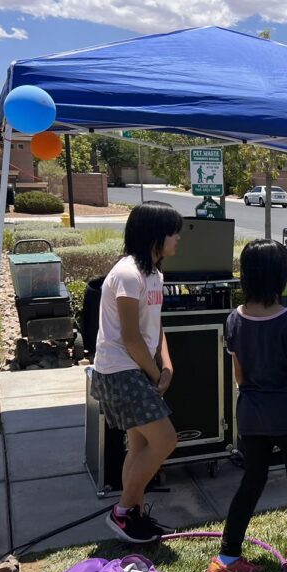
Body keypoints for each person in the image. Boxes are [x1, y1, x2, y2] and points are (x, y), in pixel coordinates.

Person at [206, 239, 287, 572]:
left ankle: (227, 556)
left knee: (251, 481)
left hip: (251, 414)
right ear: (280, 278)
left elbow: (239, 374)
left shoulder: (234, 319)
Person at [92, 201, 182, 543]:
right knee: (166, 439)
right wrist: (155, 373)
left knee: (140, 443)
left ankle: (133, 515)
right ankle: (122, 512)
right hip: (119, 370)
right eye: (173, 232)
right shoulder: (128, 274)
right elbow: (129, 336)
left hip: (138, 368)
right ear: (154, 235)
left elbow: (154, 329)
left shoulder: (155, 274)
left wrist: (167, 364)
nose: (177, 239)